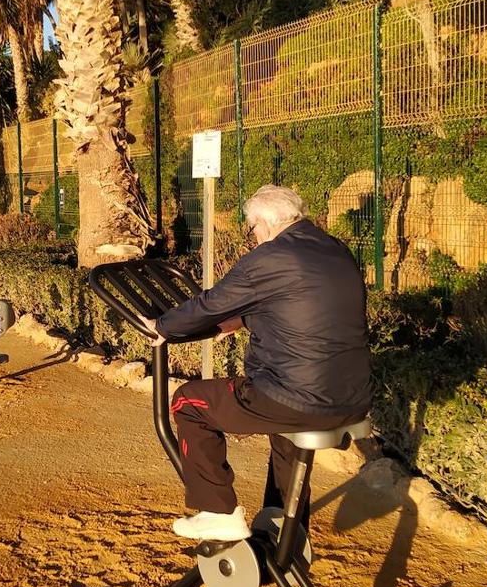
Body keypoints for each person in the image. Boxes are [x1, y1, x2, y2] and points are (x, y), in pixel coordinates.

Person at [144, 185, 371, 542]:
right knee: (284, 432)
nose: (253, 238)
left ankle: (217, 512)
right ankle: (284, 531)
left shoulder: (270, 257)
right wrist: (243, 321)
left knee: (189, 402)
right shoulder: (334, 249)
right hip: (352, 399)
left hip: (298, 396)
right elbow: (305, 309)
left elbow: (211, 304)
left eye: (252, 229)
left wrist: (164, 326)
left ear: (264, 222)